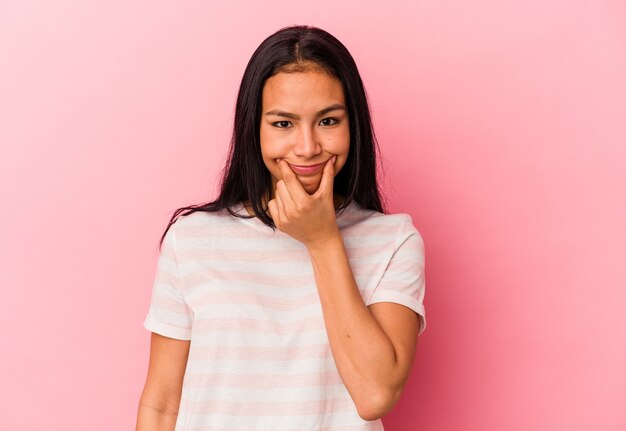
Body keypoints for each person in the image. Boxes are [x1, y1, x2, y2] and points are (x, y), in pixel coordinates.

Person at [136, 24, 426, 431]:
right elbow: (162, 404)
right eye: (283, 124)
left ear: (352, 124)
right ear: (254, 129)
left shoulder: (394, 241)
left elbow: (375, 393)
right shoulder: (192, 239)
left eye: (327, 121)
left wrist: (323, 241)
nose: (307, 147)